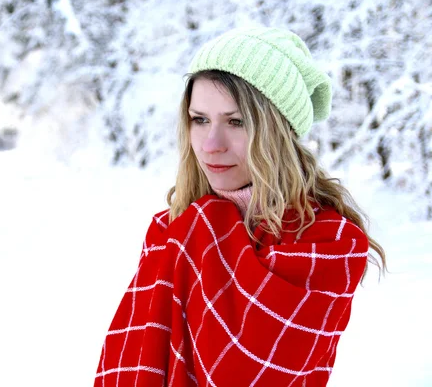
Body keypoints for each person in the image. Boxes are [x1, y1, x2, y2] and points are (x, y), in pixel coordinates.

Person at [94, 26, 386, 386]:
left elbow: (242, 373)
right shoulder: (170, 231)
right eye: (199, 120)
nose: (211, 144)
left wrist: (210, 225)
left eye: (236, 122)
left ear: (277, 130)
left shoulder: (326, 244)